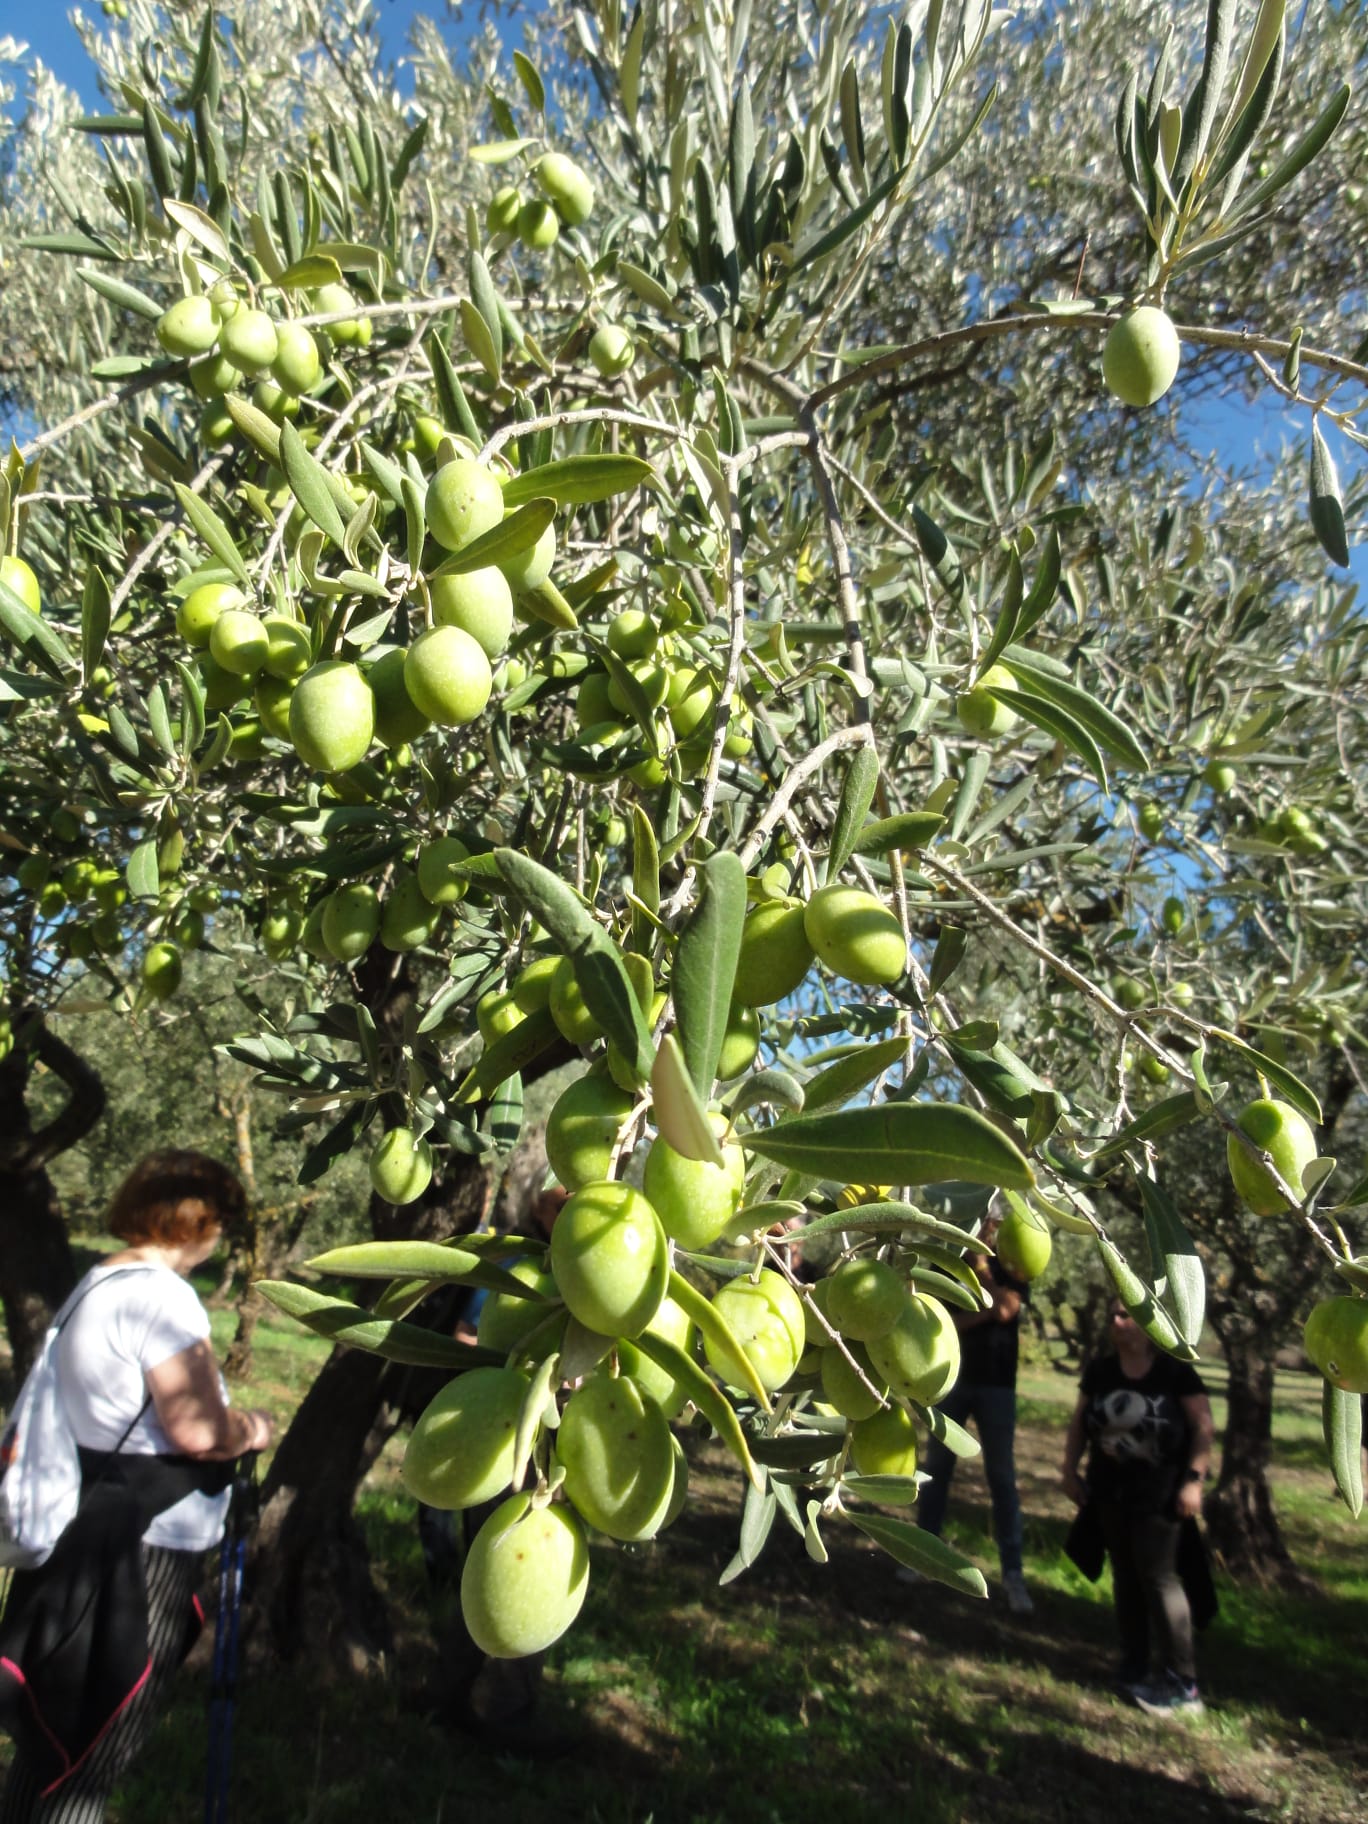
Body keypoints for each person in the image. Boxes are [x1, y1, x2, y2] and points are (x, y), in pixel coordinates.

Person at [0, 1150, 273, 1821]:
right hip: (141, 1554)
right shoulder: (161, 1298)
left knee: (52, 1740)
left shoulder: (100, 1281)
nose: (220, 1237)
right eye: (221, 1222)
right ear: (196, 1222)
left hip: (88, 1526)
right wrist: (254, 1427)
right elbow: (197, 1430)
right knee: (95, 1747)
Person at [1060, 1298, 1215, 1717]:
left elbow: (1203, 1427)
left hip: (1161, 1496)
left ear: (1150, 1325)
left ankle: (1183, 1682)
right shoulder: (1101, 1370)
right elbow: (1079, 1423)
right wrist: (1069, 1470)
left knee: (1161, 1579)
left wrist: (1194, 1481)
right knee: (1125, 1577)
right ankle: (1135, 1664)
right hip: (1109, 1493)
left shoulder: (1175, 1372)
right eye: (1112, 1314)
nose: (1116, 1321)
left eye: (1126, 1315)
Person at [917, 1219, 1034, 1614]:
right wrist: (987, 1311)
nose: (986, 1231)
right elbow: (942, 1322)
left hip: (997, 1386)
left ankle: (1013, 1573)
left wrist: (981, 1269)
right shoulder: (942, 1265)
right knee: (936, 1472)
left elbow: (1007, 1308)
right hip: (951, 1383)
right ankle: (924, 1558)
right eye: (980, 1224)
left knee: (1002, 1477)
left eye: (991, 1225)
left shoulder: (1013, 1266)